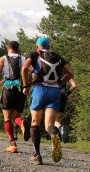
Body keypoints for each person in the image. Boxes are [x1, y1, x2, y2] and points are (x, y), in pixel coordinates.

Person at [21, 37, 74, 165]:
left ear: (37, 46)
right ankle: (54, 134)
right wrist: (60, 82)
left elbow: (24, 68)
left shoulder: (34, 54)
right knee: (49, 124)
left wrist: (25, 86)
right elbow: (70, 73)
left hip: (39, 90)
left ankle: (36, 155)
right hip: (55, 92)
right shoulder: (57, 56)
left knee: (35, 122)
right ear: (49, 47)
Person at [0, 40, 30, 153]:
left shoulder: (3, 58)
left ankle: (12, 144)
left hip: (8, 89)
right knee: (17, 116)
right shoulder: (23, 59)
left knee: (7, 117)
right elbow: (33, 73)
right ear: (17, 49)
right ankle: (22, 123)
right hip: (20, 89)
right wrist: (27, 84)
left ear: (8, 48)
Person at [55, 78, 77, 143]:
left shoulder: (53, 71)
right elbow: (74, 85)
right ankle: (58, 138)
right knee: (57, 119)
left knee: (54, 120)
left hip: (54, 94)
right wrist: (67, 93)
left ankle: (60, 129)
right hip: (64, 94)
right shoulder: (66, 74)